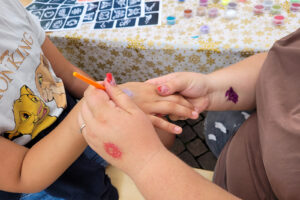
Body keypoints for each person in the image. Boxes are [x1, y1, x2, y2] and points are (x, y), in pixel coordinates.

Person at [0, 0, 199, 199]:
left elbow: (69, 74)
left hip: (75, 125)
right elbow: (21, 174)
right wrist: (98, 104)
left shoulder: (8, 8)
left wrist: (114, 96)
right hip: (35, 176)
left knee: (160, 134)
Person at [79, 29, 300, 199]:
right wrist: (210, 89)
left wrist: (146, 161)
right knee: (218, 122)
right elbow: (283, 67)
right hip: (251, 153)